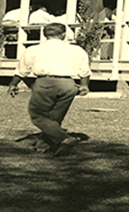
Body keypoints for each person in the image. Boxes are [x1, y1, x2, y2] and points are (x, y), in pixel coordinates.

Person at [8, 22, 91, 156]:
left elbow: (22, 70)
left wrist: (13, 84)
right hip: (68, 84)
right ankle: (45, 146)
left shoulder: (34, 49)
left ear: (44, 34)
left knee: (38, 116)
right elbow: (85, 71)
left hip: (45, 82)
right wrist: (84, 85)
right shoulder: (77, 50)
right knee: (55, 117)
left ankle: (65, 139)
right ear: (64, 34)